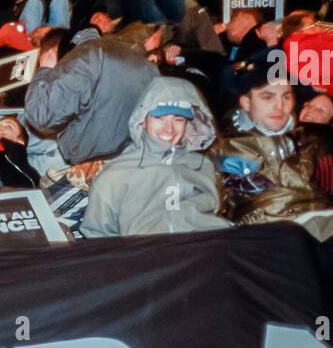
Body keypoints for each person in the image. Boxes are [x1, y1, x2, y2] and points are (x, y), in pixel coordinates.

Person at [80, 78, 230, 238]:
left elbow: (213, 213)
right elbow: (97, 235)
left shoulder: (201, 165)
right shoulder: (116, 175)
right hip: (146, 258)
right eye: (159, 118)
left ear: (188, 124)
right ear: (142, 120)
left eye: (178, 119)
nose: (169, 128)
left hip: (200, 254)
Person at [23, 27, 162, 165]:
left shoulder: (80, 60)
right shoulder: (132, 56)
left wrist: (44, 69)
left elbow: (41, 116)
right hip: (138, 153)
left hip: (101, 161)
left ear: (54, 51)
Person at [209, 70, 331, 225]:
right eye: (268, 97)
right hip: (265, 233)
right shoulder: (224, 150)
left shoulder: (313, 142)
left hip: (324, 225)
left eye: (286, 97)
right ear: (246, 102)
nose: (280, 106)